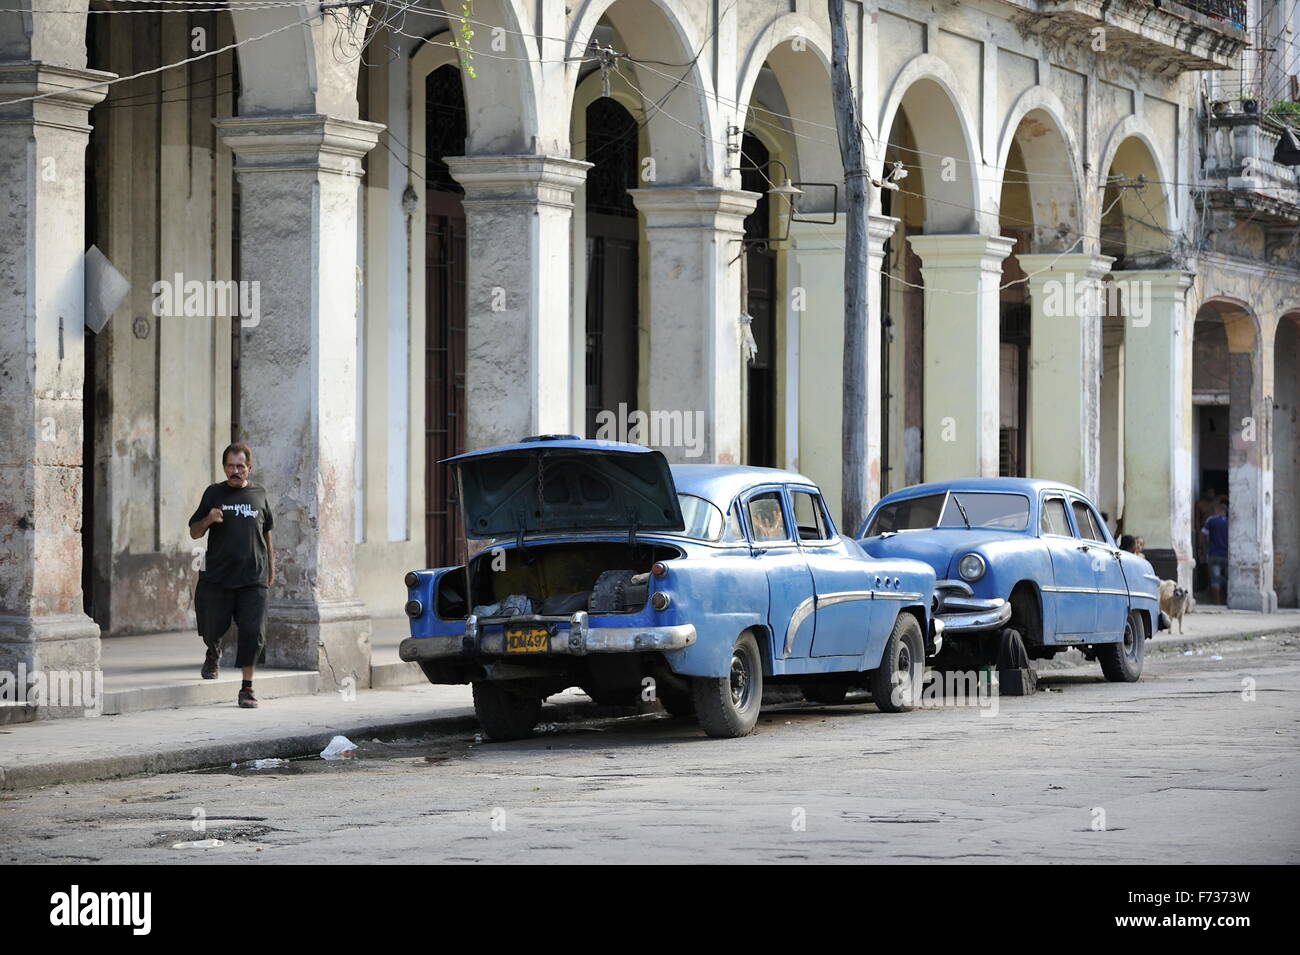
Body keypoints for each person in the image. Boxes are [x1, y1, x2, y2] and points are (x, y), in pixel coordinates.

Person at [188, 443, 275, 708]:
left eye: (240, 466)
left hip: (253, 577)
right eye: (230, 466)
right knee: (212, 625)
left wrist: (271, 567)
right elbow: (194, 532)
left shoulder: (259, 494)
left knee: (253, 632)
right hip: (217, 575)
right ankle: (213, 653)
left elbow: (267, 532)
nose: (235, 471)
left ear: (249, 467)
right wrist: (209, 519)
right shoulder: (214, 493)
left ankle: (246, 688)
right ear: (224, 467)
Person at [1200, 502, 1229, 605]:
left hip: (1214, 554)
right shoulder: (1230, 522)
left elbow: (1203, 535)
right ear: (1225, 512)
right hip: (1227, 556)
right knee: (1228, 579)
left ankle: (1217, 603)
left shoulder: (1211, 520)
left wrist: (1201, 549)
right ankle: (1227, 601)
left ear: (1218, 510)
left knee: (1215, 580)